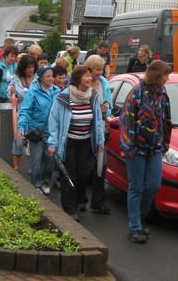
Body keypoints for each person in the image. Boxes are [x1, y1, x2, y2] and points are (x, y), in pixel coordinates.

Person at [119, 60, 172, 243]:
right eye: (165, 75)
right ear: (157, 75)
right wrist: (128, 145)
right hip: (136, 148)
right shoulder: (137, 93)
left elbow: (166, 120)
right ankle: (134, 227)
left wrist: (165, 142)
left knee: (153, 185)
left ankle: (140, 217)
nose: (167, 79)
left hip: (155, 147)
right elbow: (126, 120)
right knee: (136, 186)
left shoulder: (163, 94)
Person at [47, 66, 105, 221]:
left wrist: (100, 140)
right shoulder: (63, 97)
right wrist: (52, 143)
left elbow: (98, 121)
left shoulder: (93, 96)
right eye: (87, 76)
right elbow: (54, 121)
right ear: (78, 78)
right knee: (69, 175)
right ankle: (69, 208)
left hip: (85, 141)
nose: (90, 79)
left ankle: (80, 199)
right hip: (68, 142)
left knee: (84, 173)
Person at [18, 65, 60, 193]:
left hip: (51, 131)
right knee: (37, 158)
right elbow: (25, 110)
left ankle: (46, 181)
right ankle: (35, 184)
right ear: (41, 77)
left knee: (50, 158)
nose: (51, 78)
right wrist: (21, 127)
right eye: (48, 76)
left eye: (52, 76)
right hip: (36, 130)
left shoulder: (57, 91)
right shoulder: (33, 91)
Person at [85, 55, 113, 214]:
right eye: (97, 70)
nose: (100, 73)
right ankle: (81, 199)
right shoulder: (83, 82)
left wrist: (106, 109)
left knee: (101, 165)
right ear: (89, 69)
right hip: (84, 128)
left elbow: (110, 104)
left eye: (102, 69)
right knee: (83, 166)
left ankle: (98, 202)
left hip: (101, 128)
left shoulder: (104, 83)